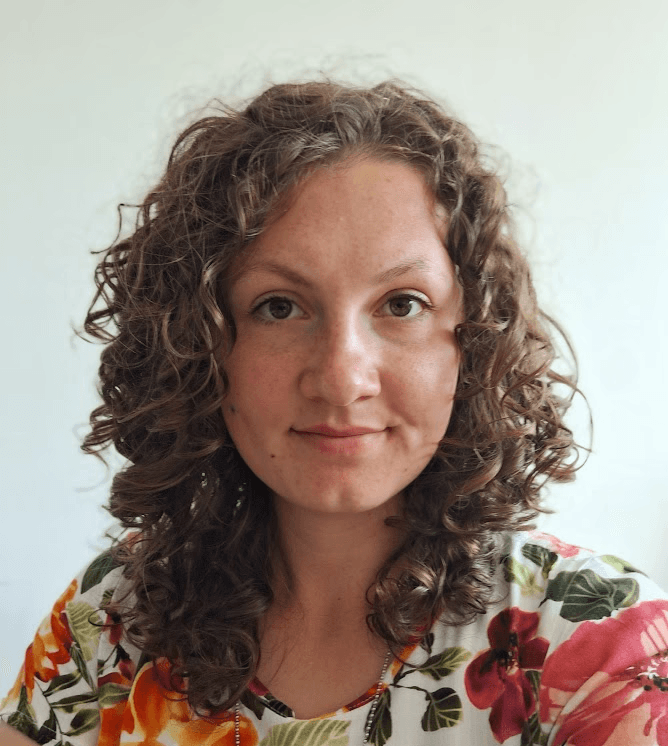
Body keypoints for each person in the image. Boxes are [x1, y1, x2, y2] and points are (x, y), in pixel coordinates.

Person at [1, 79, 667, 746]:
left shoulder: (598, 648)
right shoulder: (107, 626)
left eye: (401, 304)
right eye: (279, 307)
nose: (342, 378)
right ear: (199, 347)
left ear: (474, 339)